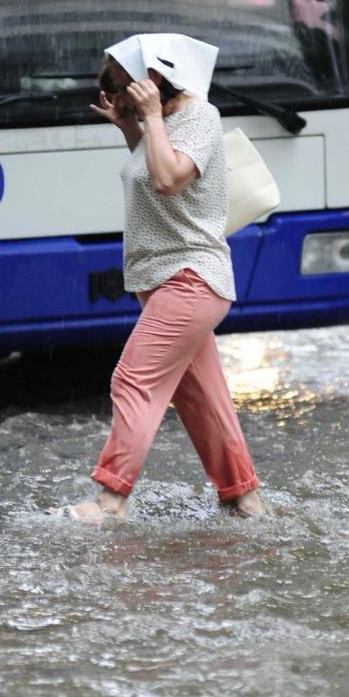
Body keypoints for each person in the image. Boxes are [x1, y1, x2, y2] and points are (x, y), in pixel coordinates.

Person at [56, 33, 264, 525]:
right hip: (164, 281)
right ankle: (244, 499)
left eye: (128, 91)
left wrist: (148, 120)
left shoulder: (200, 117)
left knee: (133, 379)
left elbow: (171, 180)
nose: (127, 101)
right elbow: (151, 175)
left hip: (190, 276)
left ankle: (110, 501)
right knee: (203, 400)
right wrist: (132, 129)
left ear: (156, 80)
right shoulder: (163, 123)